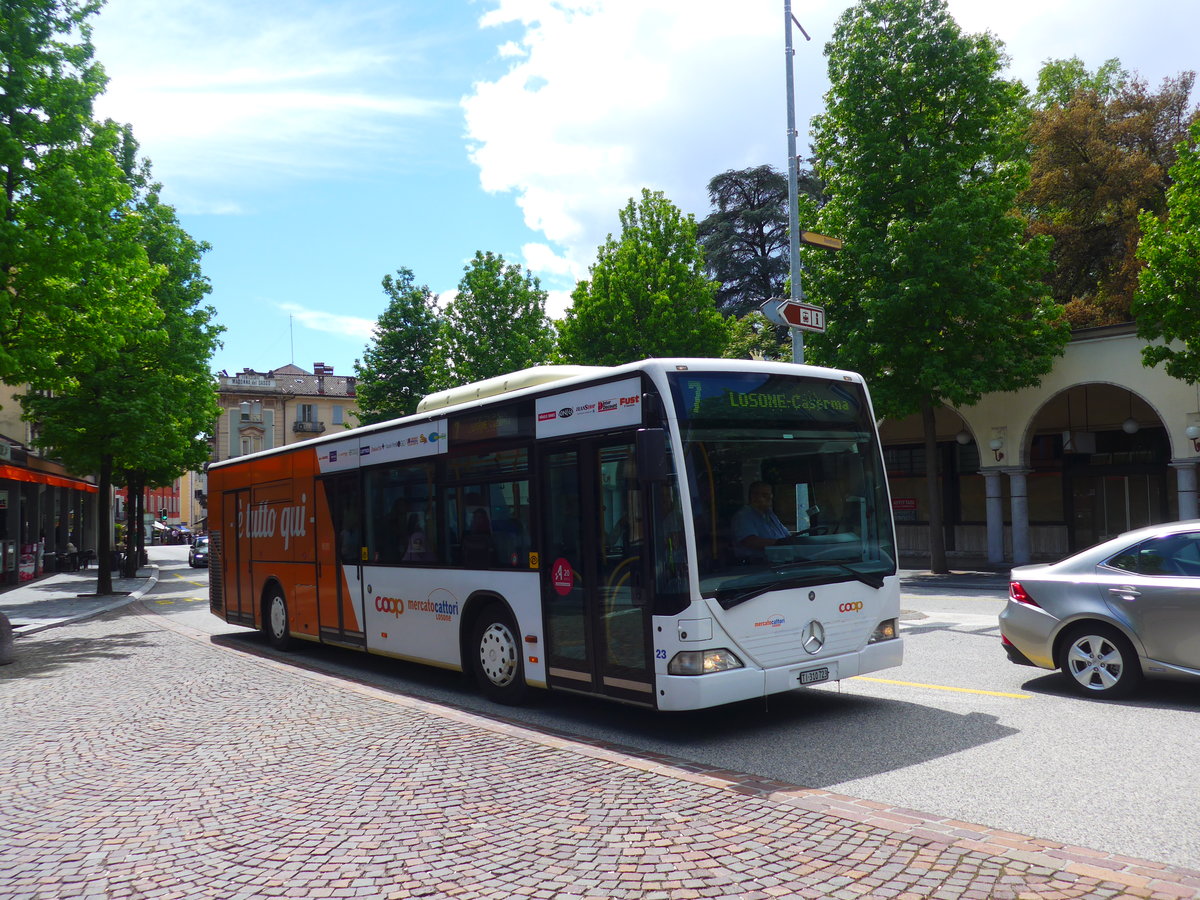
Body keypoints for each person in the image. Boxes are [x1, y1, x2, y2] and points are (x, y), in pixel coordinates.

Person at [731, 482, 790, 562]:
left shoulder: (771, 515)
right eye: (765, 495)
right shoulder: (744, 516)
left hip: (777, 562)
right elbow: (750, 541)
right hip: (754, 564)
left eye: (769, 495)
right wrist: (779, 543)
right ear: (753, 496)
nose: (769, 498)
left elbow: (786, 536)